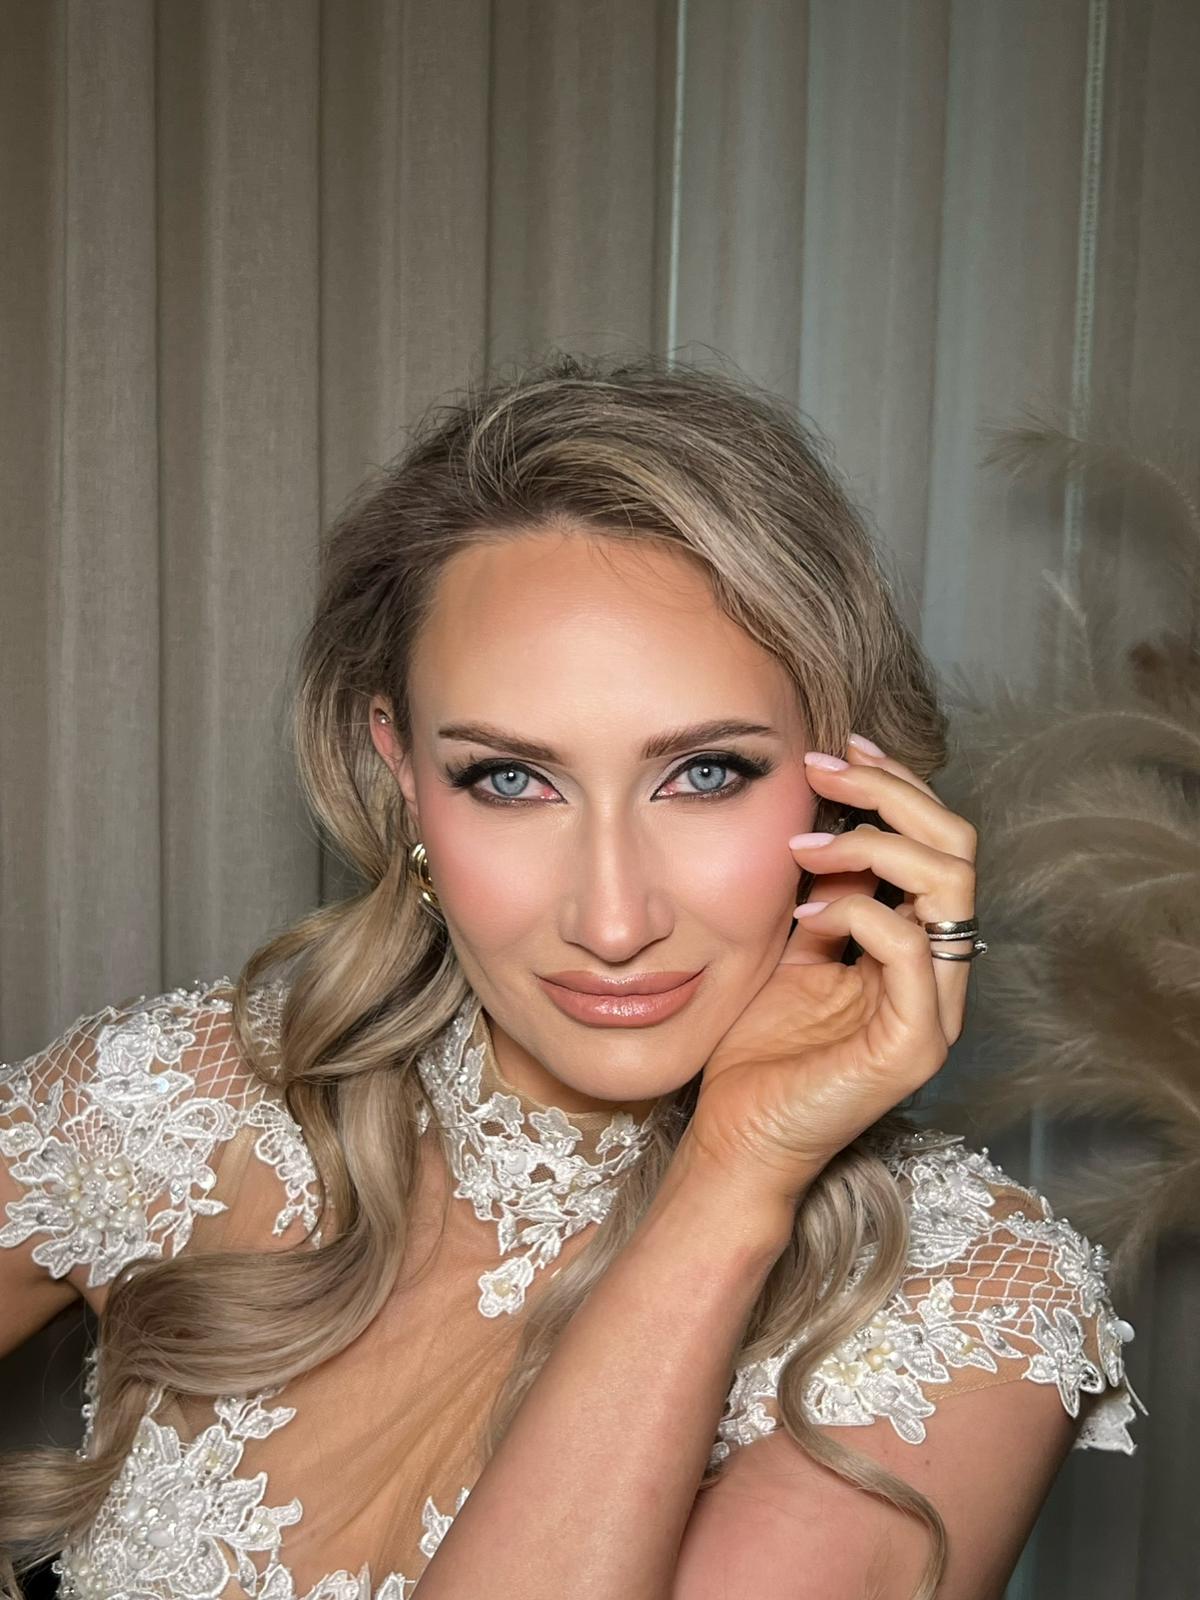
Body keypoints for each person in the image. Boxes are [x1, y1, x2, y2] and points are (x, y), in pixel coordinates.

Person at [0, 353, 1143, 1600]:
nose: (612, 920)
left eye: (705, 773)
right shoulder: (175, 1102)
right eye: (511, 778)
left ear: (849, 779)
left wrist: (732, 1182)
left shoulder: (969, 1298)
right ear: (403, 774)